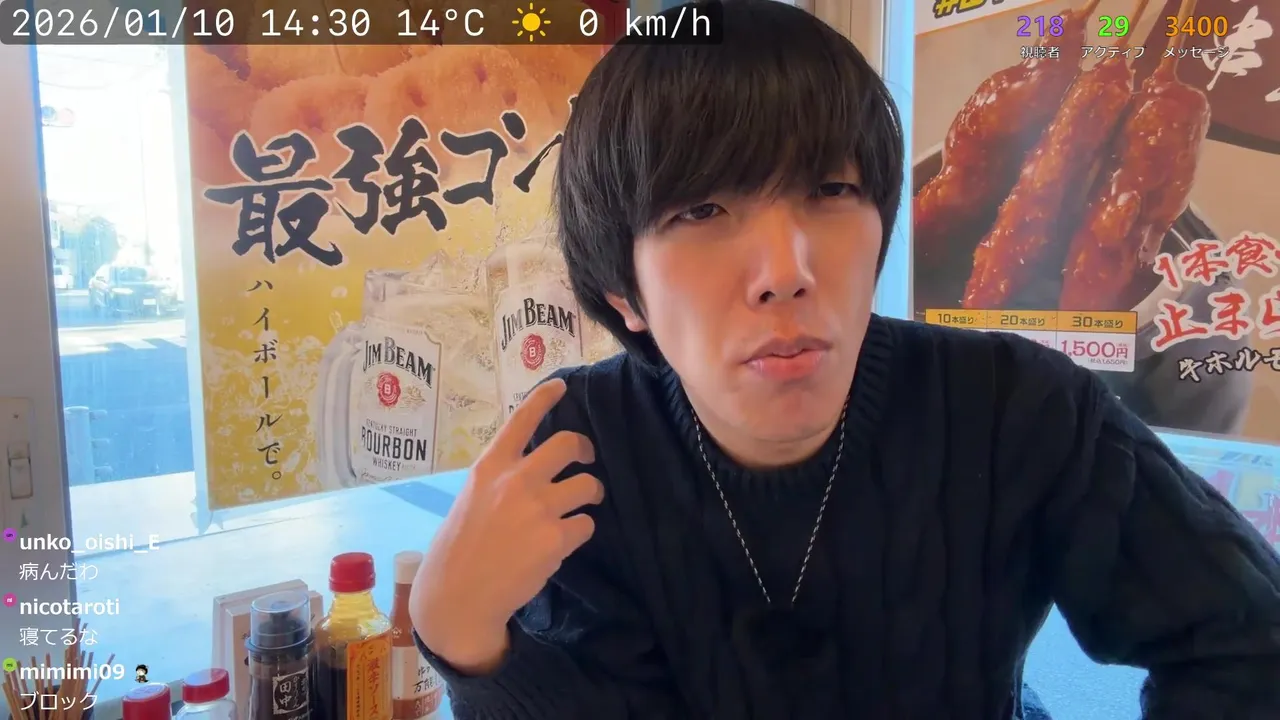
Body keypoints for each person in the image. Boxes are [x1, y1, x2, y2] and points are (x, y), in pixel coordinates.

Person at [408, 0, 1280, 717]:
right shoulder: (579, 451)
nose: (786, 270)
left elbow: (1250, 643)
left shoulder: (1014, 405)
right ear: (621, 291)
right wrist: (460, 636)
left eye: (830, 190)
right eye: (702, 211)